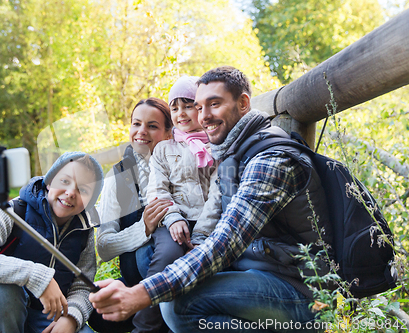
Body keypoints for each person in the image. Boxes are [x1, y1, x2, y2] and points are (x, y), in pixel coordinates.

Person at [89, 66, 332, 332]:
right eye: (200, 106)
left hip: (297, 288)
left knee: (179, 306)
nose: (204, 116)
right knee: (168, 278)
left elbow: (226, 241)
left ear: (243, 103)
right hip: (257, 268)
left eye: (213, 104)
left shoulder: (268, 159)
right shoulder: (231, 151)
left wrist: (140, 294)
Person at [0, 151, 104, 333]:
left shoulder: (83, 230)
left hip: (48, 316)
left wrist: (71, 318)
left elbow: (82, 286)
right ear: (49, 182)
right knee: (4, 291)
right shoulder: (13, 212)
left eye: (83, 189)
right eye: (64, 181)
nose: (71, 192)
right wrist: (36, 276)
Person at [130, 76, 222, 332]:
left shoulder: (215, 146)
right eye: (175, 107)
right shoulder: (163, 150)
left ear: (200, 107)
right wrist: (173, 218)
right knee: (168, 256)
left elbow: (218, 191)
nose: (181, 113)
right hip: (173, 220)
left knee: (206, 262)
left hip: (208, 222)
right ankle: (144, 326)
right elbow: (157, 189)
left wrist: (203, 232)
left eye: (188, 105)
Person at [90, 97, 173, 333]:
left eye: (152, 126)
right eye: (136, 124)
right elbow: (104, 246)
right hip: (137, 278)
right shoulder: (118, 176)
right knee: (99, 314)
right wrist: (143, 228)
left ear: (169, 133)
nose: (141, 132)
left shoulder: (181, 166)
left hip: (177, 272)